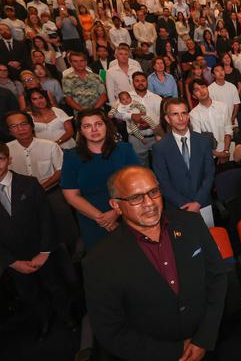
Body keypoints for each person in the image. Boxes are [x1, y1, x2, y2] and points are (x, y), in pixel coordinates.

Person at [83, 165, 227, 360]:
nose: (149, 203)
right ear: (116, 206)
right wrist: (173, 353)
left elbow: (217, 277)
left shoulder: (191, 223)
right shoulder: (99, 260)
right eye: (136, 197)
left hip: (209, 344)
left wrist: (204, 338)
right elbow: (110, 330)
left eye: (153, 192)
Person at [0, 142, 74, 340]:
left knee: (56, 286)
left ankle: (67, 317)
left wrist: (44, 252)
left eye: (0, 159)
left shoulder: (29, 183)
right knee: (29, 294)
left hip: (42, 251)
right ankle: (44, 320)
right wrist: (11, 262)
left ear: (8, 159)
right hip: (13, 258)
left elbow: (47, 218)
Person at [61, 109, 141, 251]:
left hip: (128, 213)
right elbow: (71, 196)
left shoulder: (124, 150)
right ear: (80, 130)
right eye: (87, 126)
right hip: (92, 218)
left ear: (106, 126)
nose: (94, 129)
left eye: (98, 124)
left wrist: (116, 212)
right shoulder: (71, 156)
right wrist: (102, 219)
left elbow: (138, 184)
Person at [152, 98, 215, 227]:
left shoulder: (203, 141)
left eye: (184, 113)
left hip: (203, 203)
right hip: (177, 207)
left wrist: (197, 202)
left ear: (188, 116)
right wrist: (184, 205)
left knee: (210, 240)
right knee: (184, 245)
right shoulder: (160, 148)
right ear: (167, 119)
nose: (180, 118)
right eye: (175, 114)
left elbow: (209, 174)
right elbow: (163, 182)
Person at [189, 79, 233, 165]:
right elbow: (199, 140)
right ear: (194, 96)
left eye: (203, 87)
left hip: (227, 149)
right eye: (197, 90)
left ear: (207, 88)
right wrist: (218, 154)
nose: (201, 91)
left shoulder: (223, 106)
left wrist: (226, 151)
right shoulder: (193, 114)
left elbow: (228, 130)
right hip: (209, 156)